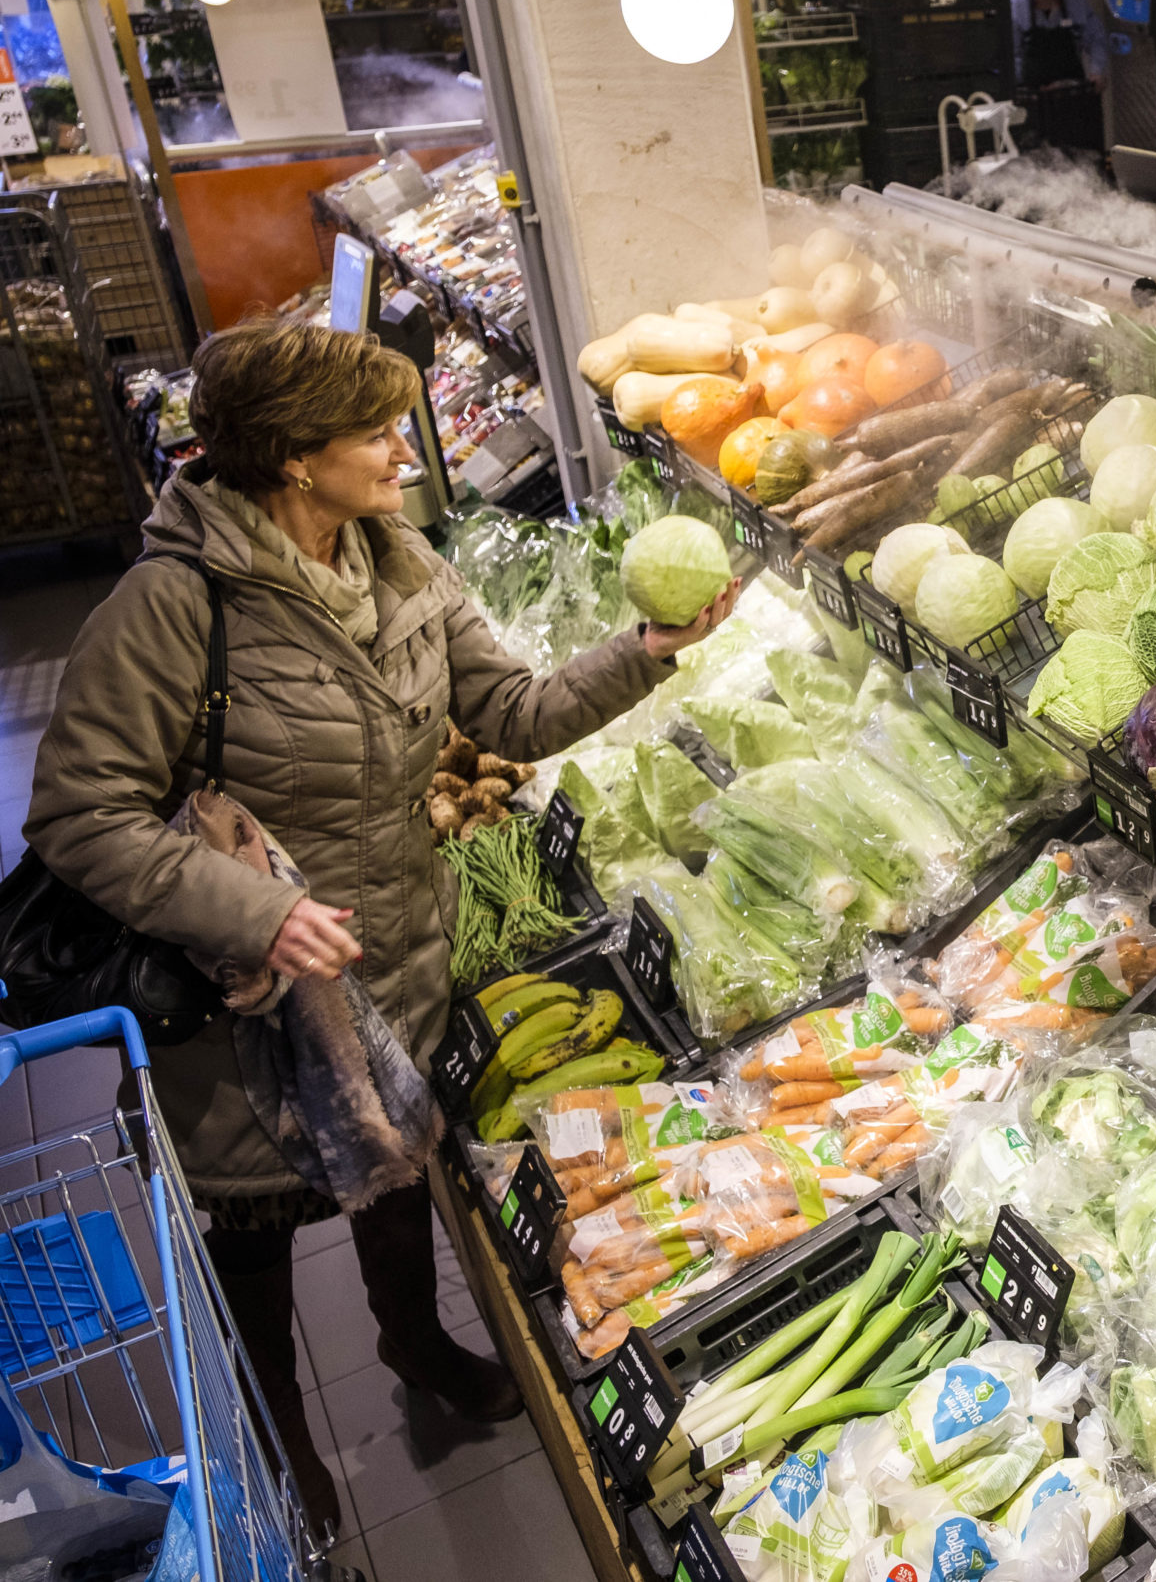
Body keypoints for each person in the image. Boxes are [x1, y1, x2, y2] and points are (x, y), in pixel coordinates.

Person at [24, 319, 740, 1538]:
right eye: (376, 432)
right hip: (245, 991)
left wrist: (646, 653)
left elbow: (507, 709)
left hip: (395, 942)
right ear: (295, 459)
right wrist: (264, 913)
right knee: (254, 1220)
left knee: (395, 1160)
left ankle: (418, 1345)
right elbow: (78, 815)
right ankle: (281, 1440)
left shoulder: (397, 557)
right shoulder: (173, 604)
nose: (404, 451)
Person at [1014, 0, 1106, 151]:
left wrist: (1097, 71)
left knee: (1077, 151)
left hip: (1070, 94)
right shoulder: (1017, 4)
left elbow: (1096, 38)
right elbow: (1013, 53)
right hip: (1035, 98)